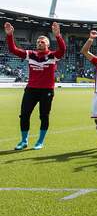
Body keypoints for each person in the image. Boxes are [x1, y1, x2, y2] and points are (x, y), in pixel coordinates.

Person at [4, 22, 66, 150]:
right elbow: (13, 50)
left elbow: (63, 50)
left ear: (48, 44)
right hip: (31, 90)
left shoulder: (52, 56)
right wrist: (10, 35)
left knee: (44, 116)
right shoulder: (30, 54)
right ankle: (24, 141)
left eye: (42, 41)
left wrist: (58, 36)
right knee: (24, 115)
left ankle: (40, 141)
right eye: (38, 41)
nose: (40, 42)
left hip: (46, 91)